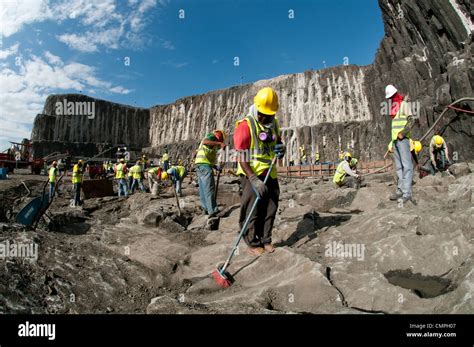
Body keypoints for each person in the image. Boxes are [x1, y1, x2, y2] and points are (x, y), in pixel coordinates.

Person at [234, 87, 286, 256]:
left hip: (270, 172)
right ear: (257, 108)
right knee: (252, 208)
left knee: (271, 206)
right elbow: (242, 157)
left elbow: (278, 141)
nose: (267, 117)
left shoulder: (274, 123)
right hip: (251, 173)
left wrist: (281, 148)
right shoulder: (245, 126)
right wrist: (253, 178)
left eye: (270, 114)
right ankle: (252, 242)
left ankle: (266, 239)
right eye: (263, 114)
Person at [385, 84, 415, 204]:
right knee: (399, 167)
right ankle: (400, 190)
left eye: (392, 96)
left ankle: (407, 193)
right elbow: (394, 127)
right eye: (389, 98)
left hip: (403, 140)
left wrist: (403, 133)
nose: (391, 99)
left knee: (407, 166)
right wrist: (392, 142)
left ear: (395, 95)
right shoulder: (394, 108)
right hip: (395, 141)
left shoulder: (403, 105)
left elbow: (411, 120)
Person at [194, 129, 226, 217]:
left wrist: (216, 167)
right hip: (204, 166)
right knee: (209, 188)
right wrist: (219, 143)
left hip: (200, 165)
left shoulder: (213, 144)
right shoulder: (212, 137)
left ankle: (206, 209)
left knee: (203, 189)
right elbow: (205, 141)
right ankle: (213, 210)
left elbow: (208, 159)